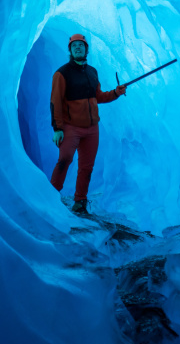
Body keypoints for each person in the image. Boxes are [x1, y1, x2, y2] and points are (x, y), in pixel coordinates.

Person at [49, 33, 126, 214]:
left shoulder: (92, 72)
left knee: (86, 167)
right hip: (70, 127)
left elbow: (98, 97)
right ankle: (50, 196)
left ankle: (80, 202)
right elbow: (55, 102)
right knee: (65, 159)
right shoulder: (62, 74)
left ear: (86, 49)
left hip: (92, 129)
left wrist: (115, 92)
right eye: (74, 45)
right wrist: (58, 129)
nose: (78, 48)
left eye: (81, 45)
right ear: (70, 50)